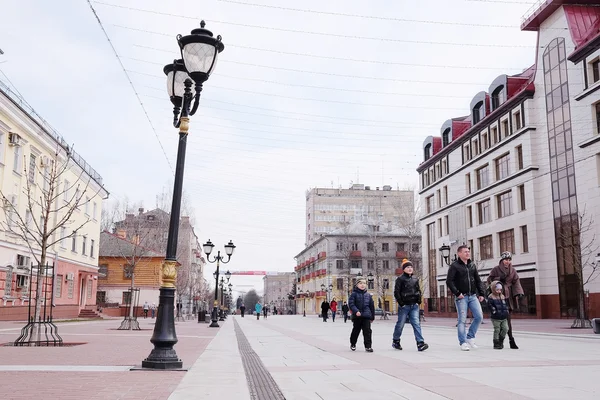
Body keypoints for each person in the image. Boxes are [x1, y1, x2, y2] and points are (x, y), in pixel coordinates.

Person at [446, 245, 485, 351]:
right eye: (465, 252)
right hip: (461, 297)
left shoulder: (472, 265)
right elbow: (449, 281)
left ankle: (470, 337)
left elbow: (478, 280)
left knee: (479, 317)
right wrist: (457, 293)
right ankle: (463, 342)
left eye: (468, 251)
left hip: (472, 296)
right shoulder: (454, 266)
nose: (468, 253)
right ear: (459, 253)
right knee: (462, 320)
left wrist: (481, 293)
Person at [487, 251, 524, 349]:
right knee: (500, 321)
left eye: (509, 260)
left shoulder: (513, 270)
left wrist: (519, 292)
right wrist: (499, 279)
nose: (507, 262)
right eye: (505, 260)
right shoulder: (496, 269)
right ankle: (501, 340)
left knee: (507, 320)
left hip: (508, 297)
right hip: (498, 297)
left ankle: (508, 340)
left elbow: (516, 281)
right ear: (502, 260)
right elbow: (489, 280)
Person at [392, 259, 429, 352]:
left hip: (414, 305)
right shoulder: (400, 279)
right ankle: (396, 340)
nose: (410, 269)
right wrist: (401, 303)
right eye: (407, 267)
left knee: (416, 324)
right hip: (404, 306)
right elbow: (396, 292)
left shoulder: (415, 279)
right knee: (400, 324)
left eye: (411, 267)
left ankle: (420, 343)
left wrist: (418, 301)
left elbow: (418, 290)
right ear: (403, 269)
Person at [348, 278, 375, 352]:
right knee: (356, 330)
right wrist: (356, 311)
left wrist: (372, 316)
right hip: (357, 316)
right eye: (360, 283)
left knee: (367, 331)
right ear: (357, 285)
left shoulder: (368, 295)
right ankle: (353, 343)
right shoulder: (354, 294)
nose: (362, 285)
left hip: (366, 316)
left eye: (364, 283)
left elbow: (371, 306)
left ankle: (368, 346)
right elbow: (351, 304)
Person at [488, 281, 509, 349]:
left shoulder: (502, 296)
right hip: (496, 317)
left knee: (505, 328)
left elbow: (505, 305)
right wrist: (494, 311)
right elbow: (489, 306)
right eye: (497, 290)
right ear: (493, 289)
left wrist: (507, 311)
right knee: (497, 329)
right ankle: (496, 343)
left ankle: (501, 340)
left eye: (500, 290)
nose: (499, 291)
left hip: (504, 316)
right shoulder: (491, 296)